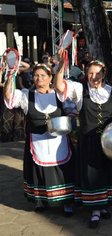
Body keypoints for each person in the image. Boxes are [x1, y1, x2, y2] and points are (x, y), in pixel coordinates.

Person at [54, 52, 112, 228]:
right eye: (90, 73)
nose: (93, 77)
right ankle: (95, 210)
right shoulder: (80, 90)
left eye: (97, 73)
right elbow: (59, 86)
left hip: (109, 143)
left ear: (104, 74)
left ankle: (103, 206)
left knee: (107, 173)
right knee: (92, 175)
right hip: (88, 141)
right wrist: (60, 66)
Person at [3, 63, 75, 215]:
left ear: (50, 78)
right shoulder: (26, 95)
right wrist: (10, 75)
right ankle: (40, 201)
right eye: (36, 75)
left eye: (43, 75)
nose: (39, 78)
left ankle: (67, 202)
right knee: (38, 171)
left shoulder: (60, 94)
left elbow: (72, 110)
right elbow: (9, 97)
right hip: (37, 140)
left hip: (59, 141)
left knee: (63, 170)